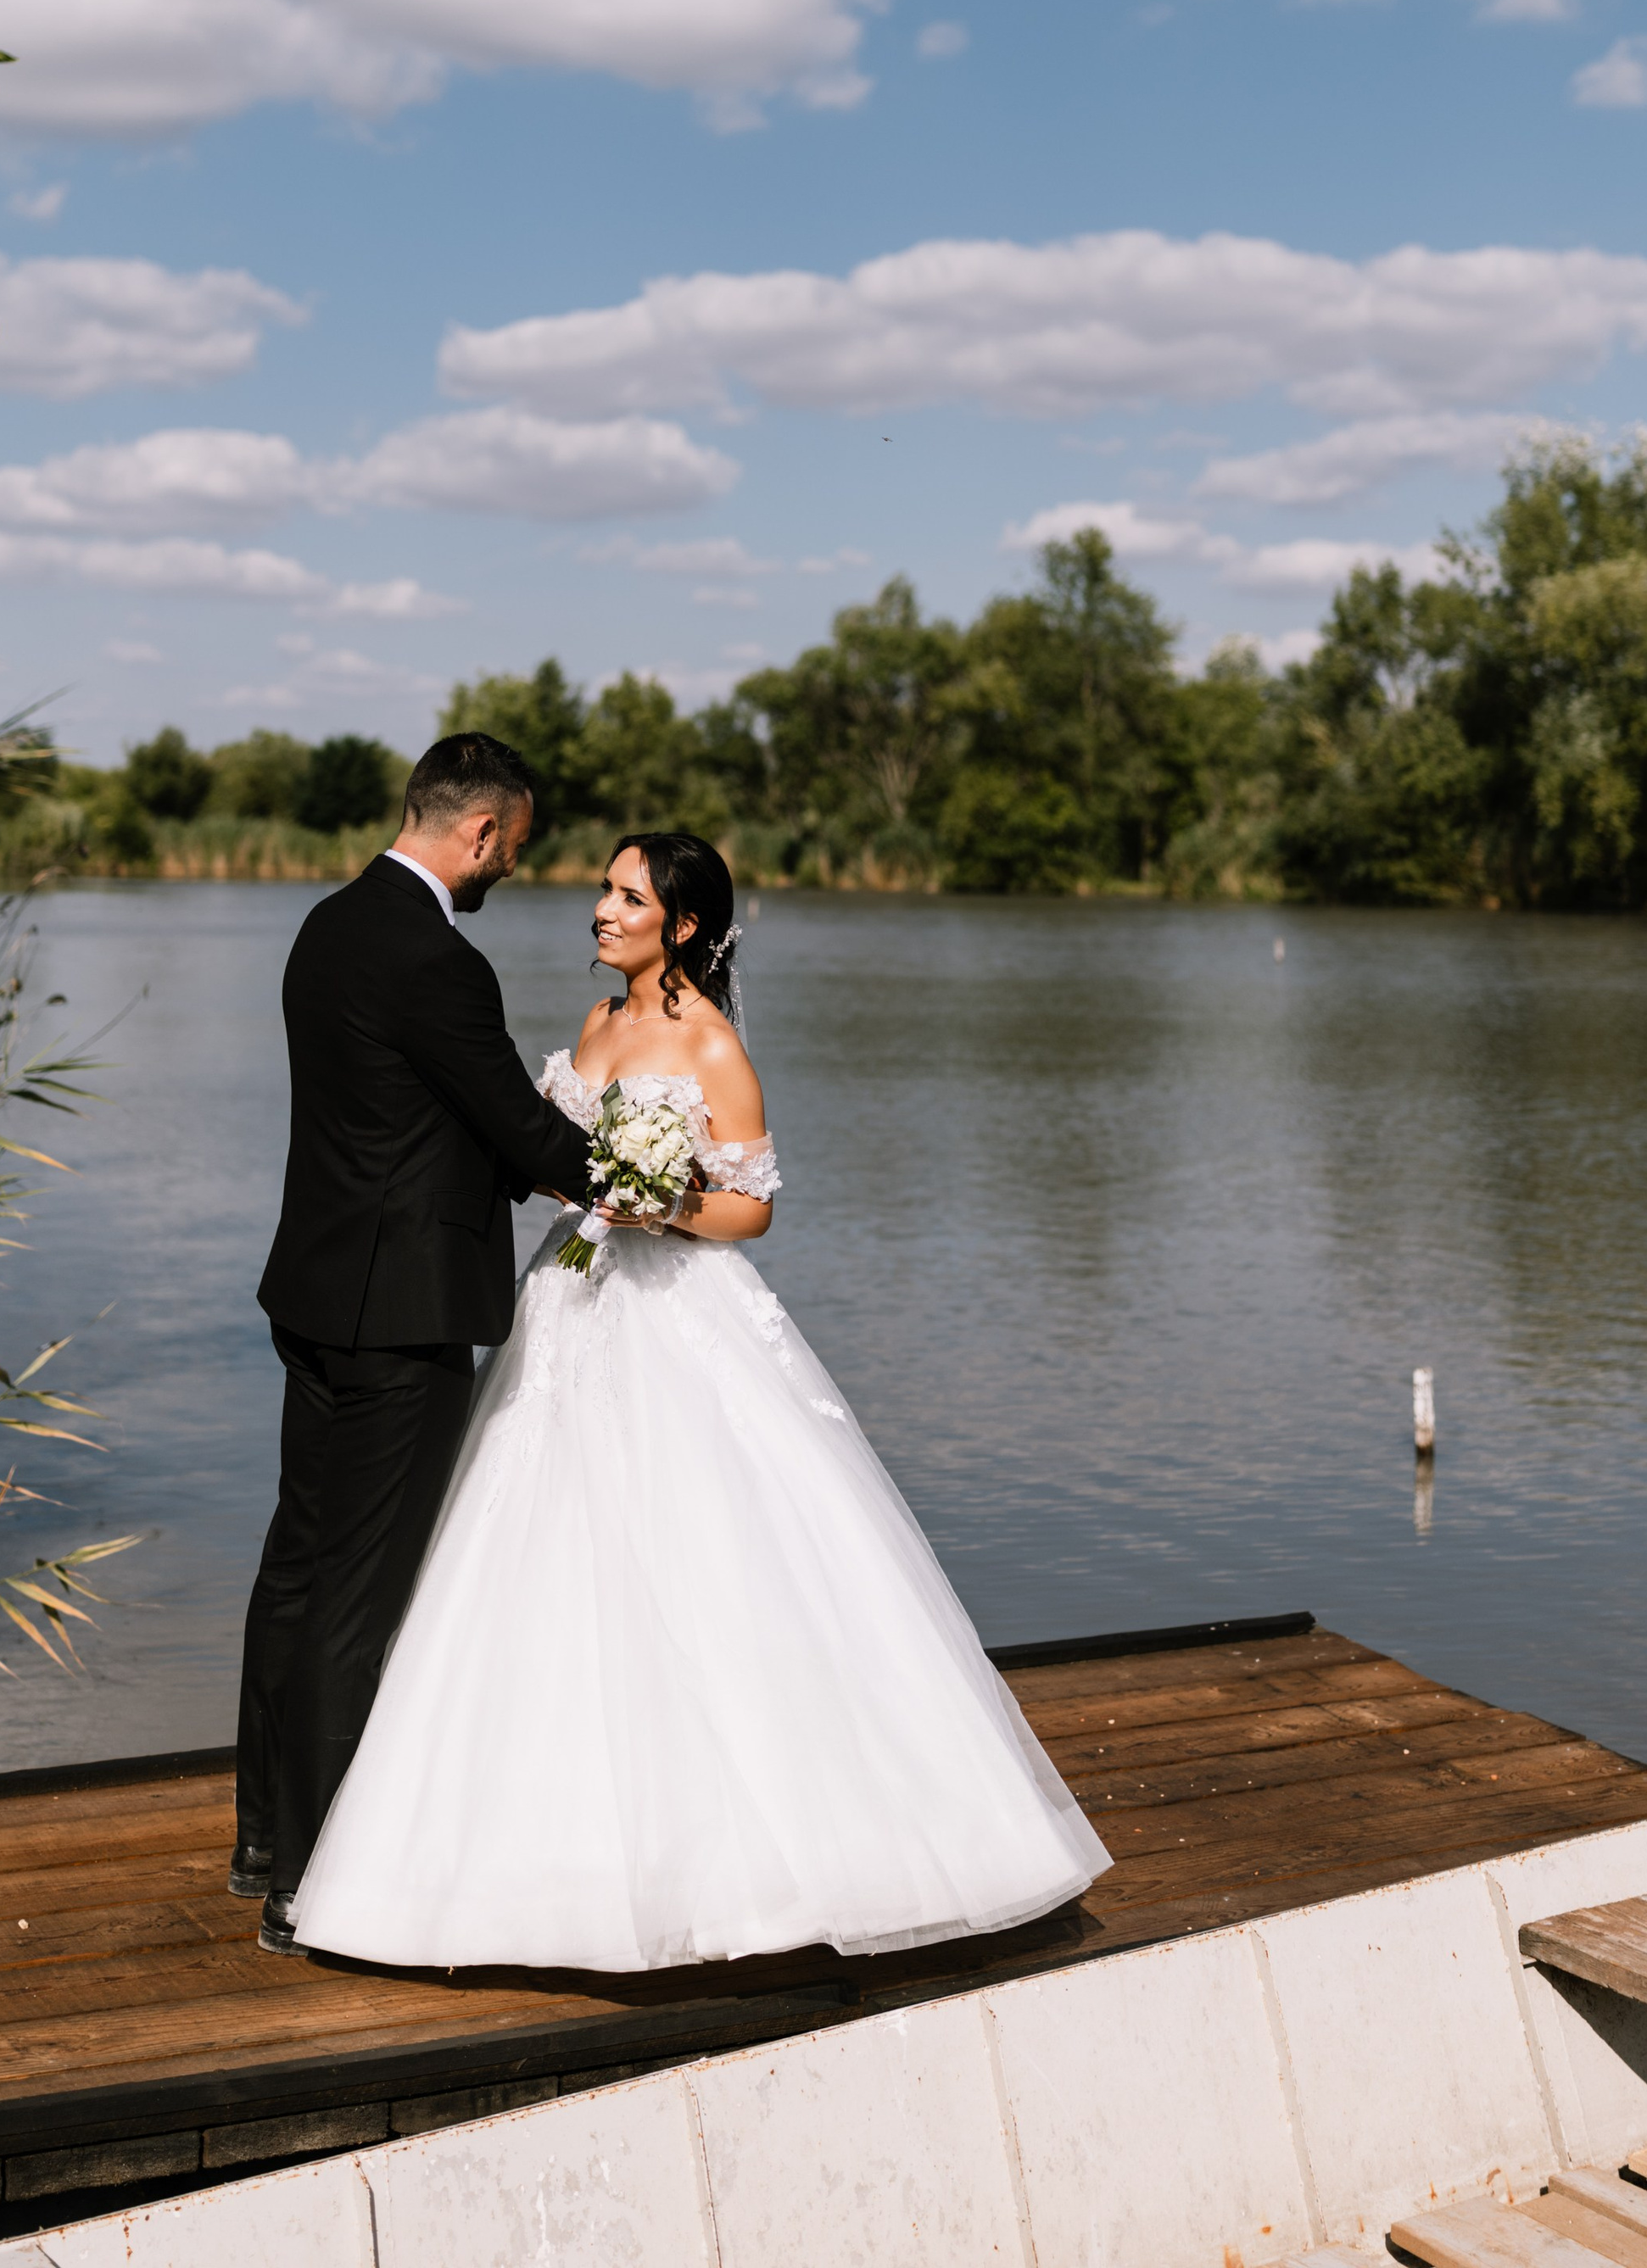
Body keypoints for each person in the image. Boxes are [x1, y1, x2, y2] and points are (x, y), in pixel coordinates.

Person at [290, 829, 1108, 1972]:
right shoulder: (597, 1027)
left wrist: (657, 1200)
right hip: (571, 1307)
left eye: (628, 895)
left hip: (672, 1313)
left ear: (680, 924)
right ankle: (515, 1857)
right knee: (534, 1553)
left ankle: (740, 1865)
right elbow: (542, 1150)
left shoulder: (712, 1043)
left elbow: (751, 1207)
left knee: (698, 1554)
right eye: (603, 887)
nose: (600, 908)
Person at [236, 731, 595, 1957]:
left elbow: (409, 1115)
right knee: (358, 1596)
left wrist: (530, 1160)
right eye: (517, 845)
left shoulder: (326, 927)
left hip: (317, 1297)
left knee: (295, 1567)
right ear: (482, 828)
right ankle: (315, 1882)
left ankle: (259, 1839)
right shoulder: (440, 958)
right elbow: (515, 1125)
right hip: (406, 1317)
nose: (511, 869)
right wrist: (644, 1177)